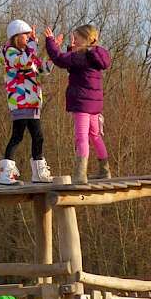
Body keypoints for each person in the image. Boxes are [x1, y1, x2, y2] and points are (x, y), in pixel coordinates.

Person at [45, 23, 112, 184]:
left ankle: (80, 174)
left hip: (82, 103)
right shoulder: (95, 55)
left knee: (81, 137)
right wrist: (71, 49)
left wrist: (50, 42)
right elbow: (74, 66)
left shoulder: (81, 56)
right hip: (95, 105)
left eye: (76, 38)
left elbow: (59, 59)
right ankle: (105, 170)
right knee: (95, 135)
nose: (73, 41)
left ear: (86, 39)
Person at [0, 18, 54, 185]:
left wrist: (54, 52)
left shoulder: (28, 54)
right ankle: (5, 173)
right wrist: (32, 45)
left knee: (38, 137)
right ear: (16, 37)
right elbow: (24, 62)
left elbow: (43, 69)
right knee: (17, 136)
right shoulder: (10, 53)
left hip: (32, 101)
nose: (29, 38)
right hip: (20, 101)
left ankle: (38, 172)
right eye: (26, 35)